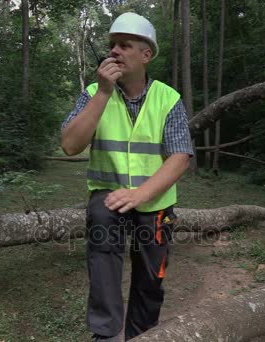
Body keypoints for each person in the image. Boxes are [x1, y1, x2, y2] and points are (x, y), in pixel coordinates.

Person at [60, 12, 194, 342]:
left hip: (155, 201)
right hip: (108, 196)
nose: (114, 51)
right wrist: (104, 93)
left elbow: (180, 157)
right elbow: (69, 145)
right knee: (103, 254)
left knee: (151, 278)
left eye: (125, 45)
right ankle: (105, 335)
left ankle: (141, 335)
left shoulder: (168, 98)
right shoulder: (94, 92)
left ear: (146, 55)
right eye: (112, 46)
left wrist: (140, 194)